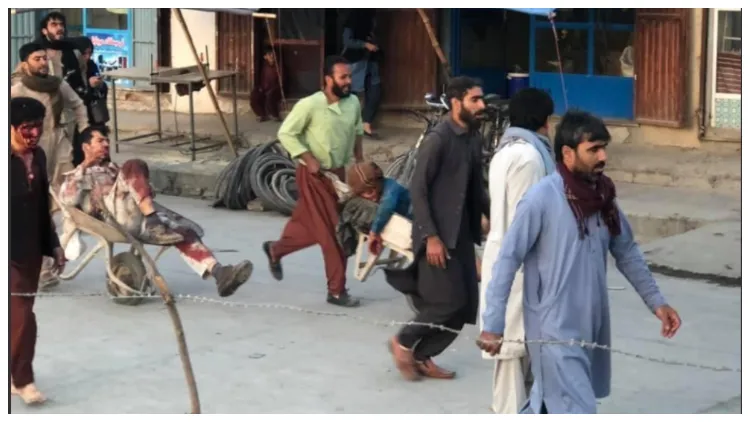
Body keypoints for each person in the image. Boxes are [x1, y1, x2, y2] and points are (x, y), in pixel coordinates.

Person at [478, 110, 682, 414]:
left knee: (550, 405)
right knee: (578, 409)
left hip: (592, 326)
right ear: (567, 154)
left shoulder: (603, 198)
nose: (603, 157)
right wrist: (493, 324)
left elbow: (626, 251)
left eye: (604, 148)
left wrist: (657, 302)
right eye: (593, 150)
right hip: (554, 331)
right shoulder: (541, 199)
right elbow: (507, 260)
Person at [58, 126, 253, 297]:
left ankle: (220, 274)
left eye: (107, 140)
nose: (106, 144)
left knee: (185, 232)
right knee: (134, 165)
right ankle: (152, 219)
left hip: (135, 215)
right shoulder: (76, 175)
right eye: (100, 140)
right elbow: (67, 201)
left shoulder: (114, 169)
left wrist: (140, 187)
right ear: (86, 147)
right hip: (113, 217)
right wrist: (82, 175)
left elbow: (142, 190)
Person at [387, 76, 489, 381]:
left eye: (481, 99)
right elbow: (418, 190)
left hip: (462, 235)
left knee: (466, 305)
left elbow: (475, 187)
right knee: (447, 302)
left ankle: (423, 355)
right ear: (456, 102)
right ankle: (403, 341)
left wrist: (490, 216)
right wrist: (431, 236)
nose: (482, 105)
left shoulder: (473, 138)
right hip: (436, 236)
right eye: (475, 100)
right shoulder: (438, 139)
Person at [262, 55, 365, 308]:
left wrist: (360, 164)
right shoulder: (310, 105)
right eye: (343, 77)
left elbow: (358, 132)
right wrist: (308, 158)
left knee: (310, 225)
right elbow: (286, 133)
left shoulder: (352, 103)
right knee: (334, 232)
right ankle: (337, 291)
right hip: (313, 175)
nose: (348, 81)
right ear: (328, 80)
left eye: (349, 76)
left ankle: (276, 250)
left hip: (338, 175)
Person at [479, 88, 555, 414]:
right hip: (519, 267)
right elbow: (525, 223)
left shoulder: (508, 149)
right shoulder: (528, 158)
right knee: (512, 357)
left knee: (522, 355)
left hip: (509, 261)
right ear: (544, 120)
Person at [11, 41, 90, 290]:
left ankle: (67, 240)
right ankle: (41, 269)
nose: (43, 63)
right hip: (28, 149)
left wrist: (85, 131)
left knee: (66, 196)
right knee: (35, 207)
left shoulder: (57, 84)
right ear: (25, 63)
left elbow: (78, 104)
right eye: (37, 59)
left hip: (58, 142)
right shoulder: (17, 89)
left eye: (45, 58)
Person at [10, 97, 66, 405]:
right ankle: (22, 379)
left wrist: (54, 245)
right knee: (20, 316)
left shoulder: (40, 156)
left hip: (31, 247)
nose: (33, 134)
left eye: (37, 127)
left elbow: (42, 207)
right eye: (26, 128)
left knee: (23, 314)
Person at [341, 8, 382, 139]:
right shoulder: (354, 15)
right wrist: (365, 44)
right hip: (355, 60)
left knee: (375, 92)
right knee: (351, 94)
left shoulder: (372, 15)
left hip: (371, 60)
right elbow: (347, 41)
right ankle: (346, 126)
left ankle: (366, 124)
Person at [250, 46, 282, 122]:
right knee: (254, 95)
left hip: (276, 89)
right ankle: (261, 114)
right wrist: (261, 88)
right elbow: (263, 80)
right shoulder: (265, 67)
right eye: (269, 55)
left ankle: (275, 115)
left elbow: (281, 81)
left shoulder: (278, 66)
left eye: (273, 54)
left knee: (270, 95)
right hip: (265, 88)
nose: (272, 56)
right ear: (265, 57)